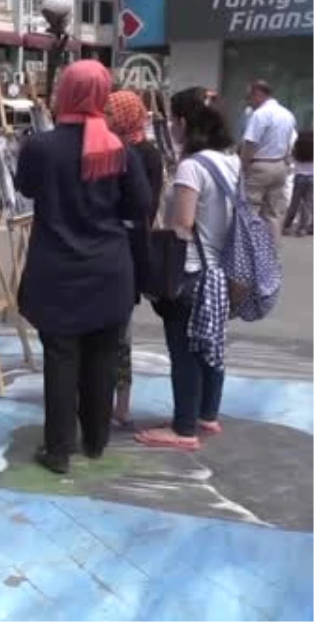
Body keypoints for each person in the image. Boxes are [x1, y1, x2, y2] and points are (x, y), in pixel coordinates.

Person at [15, 60, 153, 474]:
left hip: (55, 270)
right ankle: (96, 440)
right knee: (103, 356)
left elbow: (25, 188)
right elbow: (141, 206)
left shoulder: (41, 147)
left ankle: (58, 450)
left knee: (60, 358)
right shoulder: (119, 149)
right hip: (109, 270)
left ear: (66, 93)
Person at [135, 87, 239, 452]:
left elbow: (182, 225)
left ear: (182, 122)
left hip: (190, 273)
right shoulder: (230, 160)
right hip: (218, 272)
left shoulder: (192, 167)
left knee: (185, 352)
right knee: (212, 345)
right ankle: (207, 414)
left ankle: (183, 429)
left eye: (171, 120)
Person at [105, 90, 167, 428]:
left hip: (128, 249)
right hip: (115, 248)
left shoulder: (144, 153)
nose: (107, 118)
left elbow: (147, 206)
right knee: (111, 331)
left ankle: (122, 402)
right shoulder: (109, 147)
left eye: (112, 113)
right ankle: (107, 397)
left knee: (121, 333)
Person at [240, 80, 296, 238]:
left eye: (249, 97)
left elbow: (250, 143)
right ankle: (272, 250)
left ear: (258, 95)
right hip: (279, 165)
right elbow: (288, 144)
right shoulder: (287, 114)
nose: (248, 101)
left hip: (260, 165)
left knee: (250, 208)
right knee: (273, 212)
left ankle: (249, 247)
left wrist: (243, 165)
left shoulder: (259, 115)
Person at [282, 129, 314, 236]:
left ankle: (287, 225)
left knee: (294, 203)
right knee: (308, 204)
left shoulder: (298, 149)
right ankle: (302, 228)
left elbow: (290, 159)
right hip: (312, 178)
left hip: (299, 177)